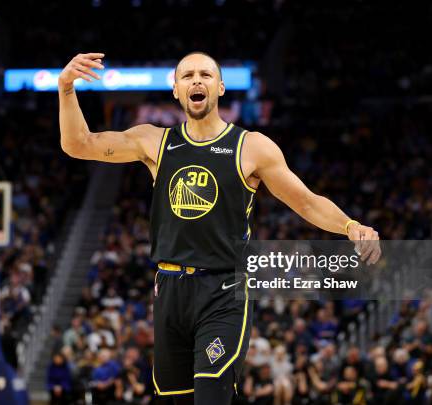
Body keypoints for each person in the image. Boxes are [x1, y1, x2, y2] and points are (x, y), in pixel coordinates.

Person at [58, 51, 381, 405]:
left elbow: (304, 201)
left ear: (221, 87)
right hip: (169, 290)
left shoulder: (251, 146)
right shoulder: (153, 141)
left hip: (222, 290)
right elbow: (78, 145)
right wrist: (66, 89)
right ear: (176, 91)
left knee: (212, 395)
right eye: (188, 76)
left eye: (206, 75)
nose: (197, 80)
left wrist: (350, 226)